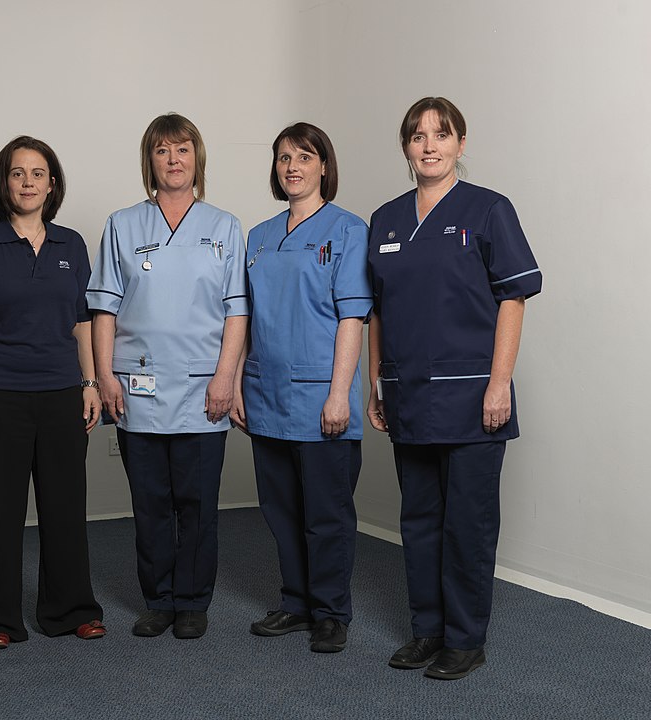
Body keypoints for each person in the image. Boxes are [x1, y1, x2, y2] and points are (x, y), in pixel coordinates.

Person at [367, 97, 542, 680]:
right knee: (418, 520)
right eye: (418, 136)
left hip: (472, 397)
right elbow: (378, 314)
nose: (429, 145)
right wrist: (376, 382)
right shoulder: (386, 219)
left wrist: (499, 384)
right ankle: (428, 630)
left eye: (441, 135)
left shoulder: (489, 210)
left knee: (466, 523)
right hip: (408, 394)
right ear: (406, 147)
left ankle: (465, 639)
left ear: (460, 145)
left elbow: (511, 299)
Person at [88, 113, 249, 639]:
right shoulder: (123, 224)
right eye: (162, 150)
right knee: (151, 502)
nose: (174, 160)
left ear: (197, 158)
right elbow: (104, 309)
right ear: (149, 161)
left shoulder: (224, 226)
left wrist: (227, 376)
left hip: (205, 386)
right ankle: (158, 598)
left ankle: (194, 600)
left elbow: (236, 310)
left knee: (197, 503)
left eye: (182, 149)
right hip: (138, 386)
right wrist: (104, 376)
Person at [0, 136, 105, 649]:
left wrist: (90, 382)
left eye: (37, 173)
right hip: (0, 392)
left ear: (52, 184)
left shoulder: (72, 244)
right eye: (18, 173)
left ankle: (71, 610)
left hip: (63, 389)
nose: (27, 182)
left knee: (66, 507)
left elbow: (84, 321)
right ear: (4, 182)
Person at [231, 123, 371, 654]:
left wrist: (340, 394)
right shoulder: (259, 236)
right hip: (266, 392)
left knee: (326, 513)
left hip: (320, 397)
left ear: (324, 167)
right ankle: (296, 602)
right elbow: (246, 315)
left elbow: (352, 317)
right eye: (284, 157)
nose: (293, 166)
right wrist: (239, 381)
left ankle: (332, 611)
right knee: (281, 508)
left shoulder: (347, 230)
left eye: (304, 157)